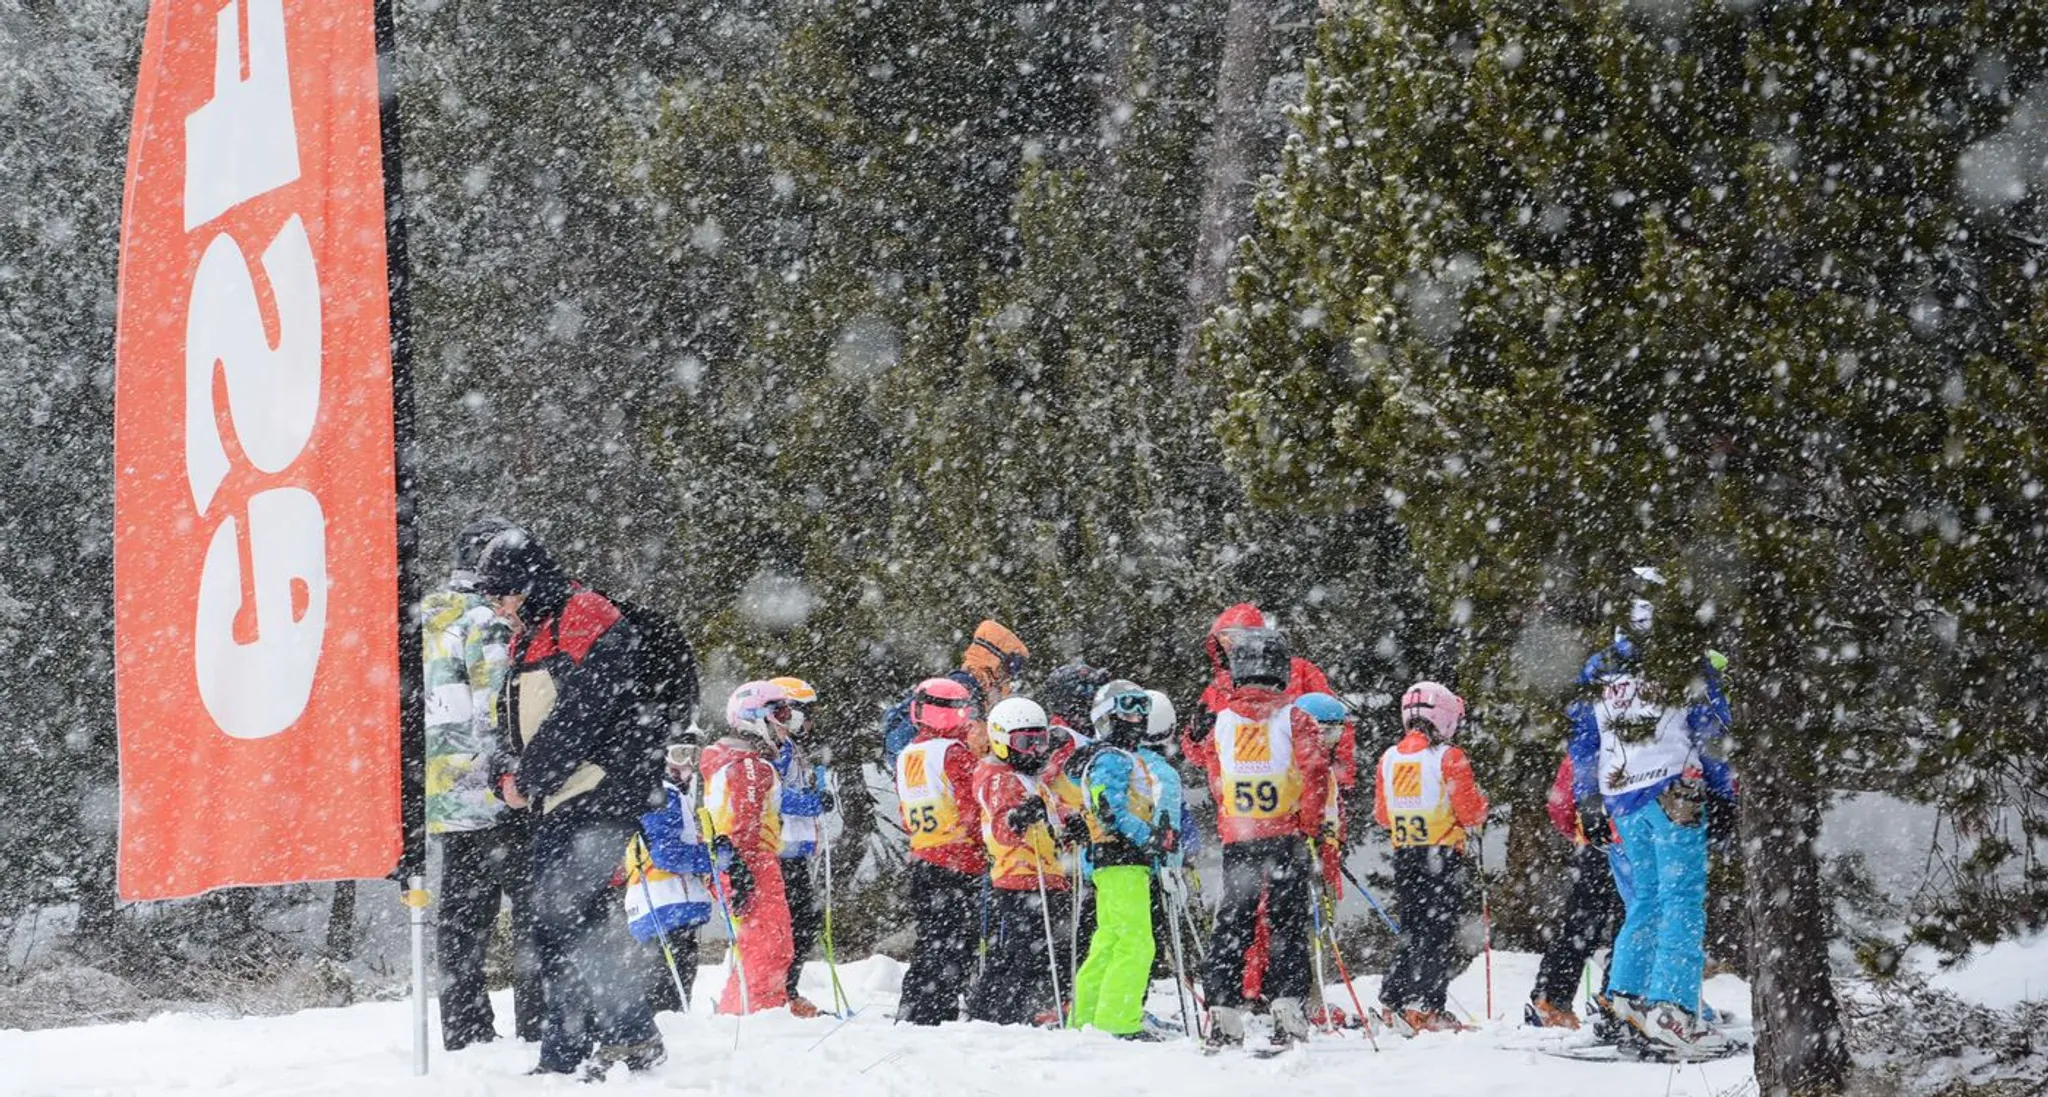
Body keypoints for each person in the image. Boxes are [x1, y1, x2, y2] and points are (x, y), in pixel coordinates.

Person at [476, 529, 665, 1077]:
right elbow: (507, 719)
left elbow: (585, 712)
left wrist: (529, 777)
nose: (497, 606)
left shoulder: (584, 614)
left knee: (561, 917)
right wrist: (502, 776)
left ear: (527, 587)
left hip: (602, 788)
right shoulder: (528, 633)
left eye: (501, 594)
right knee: (564, 921)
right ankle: (608, 1039)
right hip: (558, 796)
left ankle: (596, 1043)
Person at [1567, 569, 1734, 1054]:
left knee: (1645, 902)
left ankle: (1625, 999)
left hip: (1620, 796)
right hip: (1675, 789)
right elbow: (1712, 728)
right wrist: (1724, 792)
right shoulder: (1688, 660)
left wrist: (1589, 799)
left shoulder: (1599, 668)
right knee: (1681, 901)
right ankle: (1673, 1011)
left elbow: (1583, 738)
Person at [422, 518, 540, 1049]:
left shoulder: (426, 615)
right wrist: (517, 769)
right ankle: (539, 1023)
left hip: (445, 792)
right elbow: (500, 701)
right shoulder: (487, 617)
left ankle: (464, 1031)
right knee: (536, 912)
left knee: (461, 921)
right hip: (496, 790)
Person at [1185, 620, 1329, 1048]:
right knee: (1286, 924)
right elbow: (1315, 773)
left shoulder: (1223, 722)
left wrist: (1230, 818)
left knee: (1233, 923)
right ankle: (1288, 1006)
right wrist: (1311, 824)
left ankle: (1224, 1011)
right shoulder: (1294, 717)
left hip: (1241, 839)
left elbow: (1215, 775)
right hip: (1285, 836)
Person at [1374, 681, 1490, 1034]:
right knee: (1437, 932)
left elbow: (1382, 814)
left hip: (1405, 855)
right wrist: (1481, 808)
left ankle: (1394, 997)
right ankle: (1426, 1004)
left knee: (1413, 929)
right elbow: (1470, 812)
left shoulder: (1389, 758)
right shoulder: (1448, 757)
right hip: (1441, 856)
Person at [1068, 681, 1168, 1039]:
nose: (1137, 719)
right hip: (1122, 858)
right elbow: (1107, 809)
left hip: (1118, 861)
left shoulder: (1121, 755)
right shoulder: (1111, 757)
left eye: (1143, 710)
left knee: (1109, 939)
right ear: (1107, 716)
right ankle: (1118, 1020)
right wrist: (1148, 837)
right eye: (1128, 711)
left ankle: (1087, 1017)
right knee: (1136, 941)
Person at [967, 696, 1071, 1026]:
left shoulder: (1030, 776)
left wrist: (1070, 825)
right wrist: (1019, 818)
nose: (1035, 751)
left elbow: (1053, 813)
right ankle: (995, 1012)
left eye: (1041, 742)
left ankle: (1030, 1007)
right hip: (1019, 878)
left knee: (1041, 951)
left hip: (1047, 874)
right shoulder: (998, 778)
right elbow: (1000, 828)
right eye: (1025, 743)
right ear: (1000, 742)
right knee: (1021, 952)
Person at [893, 677, 988, 1025]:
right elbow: (972, 807)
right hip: (958, 861)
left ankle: (916, 1006)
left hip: (923, 858)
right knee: (954, 944)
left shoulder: (907, 754)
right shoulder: (953, 753)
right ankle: (936, 1011)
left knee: (931, 941)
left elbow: (907, 812)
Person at [701, 680, 798, 1014]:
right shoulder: (750, 768)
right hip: (750, 862)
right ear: (754, 717)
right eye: (780, 713)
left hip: (740, 861)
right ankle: (755, 1011)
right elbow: (742, 825)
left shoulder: (736, 761)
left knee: (763, 941)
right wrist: (738, 869)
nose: (787, 723)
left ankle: (751, 1005)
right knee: (770, 943)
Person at [1526, 753, 1624, 1031]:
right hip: (1629, 846)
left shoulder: (1585, 749)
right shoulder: (1633, 740)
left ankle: (1551, 999)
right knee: (1628, 922)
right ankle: (1617, 997)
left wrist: (1578, 833)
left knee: (1578, 925)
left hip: (1590, 848)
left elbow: (1560, 806)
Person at [630, 740, 715, 1015]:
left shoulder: (670, 793)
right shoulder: (663, 793)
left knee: (674, 984)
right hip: (664, 904)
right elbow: (668, 855)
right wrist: (711, 857)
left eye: (691, 755)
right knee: (667, 991)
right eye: (679, 754)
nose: (686, 765)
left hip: (670, 906)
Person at [767, 676, 831, 1016]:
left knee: (806, 922)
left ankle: (788, 989)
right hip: (779, 850)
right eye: (802, 712)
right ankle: (780, 991)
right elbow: (773, 795)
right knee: (791, 925)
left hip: (796, 849)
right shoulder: (772, 747)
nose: (808, 721)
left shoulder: (793, 747)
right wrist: (810, 802)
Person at [881, 620, 1030, 765]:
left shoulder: (980, 692)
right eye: (1012, 665)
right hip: (937, 779)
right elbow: (909, 742)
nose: (1011, 674)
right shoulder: (960, 691)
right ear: (993, 658)